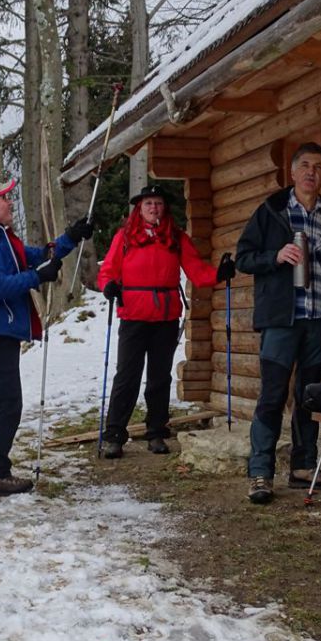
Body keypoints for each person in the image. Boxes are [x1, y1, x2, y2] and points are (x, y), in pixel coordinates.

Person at [0, 178, 94, 497]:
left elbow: (39, 256)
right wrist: (34, 277)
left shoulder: (1, 239)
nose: (11, 203)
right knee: (7, 400)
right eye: (5, 199)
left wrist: (69, 238)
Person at [235, 142, 321, 505]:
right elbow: (244, 258)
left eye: (318, 166)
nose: (311, 172)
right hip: (280, 320)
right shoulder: (270, 211)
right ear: (293, 172)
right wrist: (276, 255)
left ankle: (303, 466)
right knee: (272, 394)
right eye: (304, 165)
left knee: (309, 395)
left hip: (317, 319)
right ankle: (260, 473)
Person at [97, 183, 231, 459]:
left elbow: (197, 270)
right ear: (139, 208)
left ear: (164, 207)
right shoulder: (124, 237)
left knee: (159, 378)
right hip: (133, 315)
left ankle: (157, 433)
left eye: (158, 203)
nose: (154, 208)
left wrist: (220, 274)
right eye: (148, 204)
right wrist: (109, 285)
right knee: (127, 377)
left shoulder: (176, 237)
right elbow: (108, 270)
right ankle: (114, 435)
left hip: (165, 317)